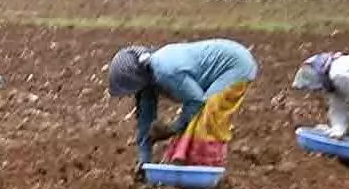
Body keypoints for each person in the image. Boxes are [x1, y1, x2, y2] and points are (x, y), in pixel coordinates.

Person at [109, 39, 255, 174]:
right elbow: (145, 122)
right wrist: (144, 160)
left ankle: (206, 171)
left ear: (135, 79)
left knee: (206, 117)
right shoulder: (147, 79)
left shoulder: (165, 71)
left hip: (236, 66)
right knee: (191, 119)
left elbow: (196, 100)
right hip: (223, 68)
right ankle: (188, 168)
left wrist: (173, 128)